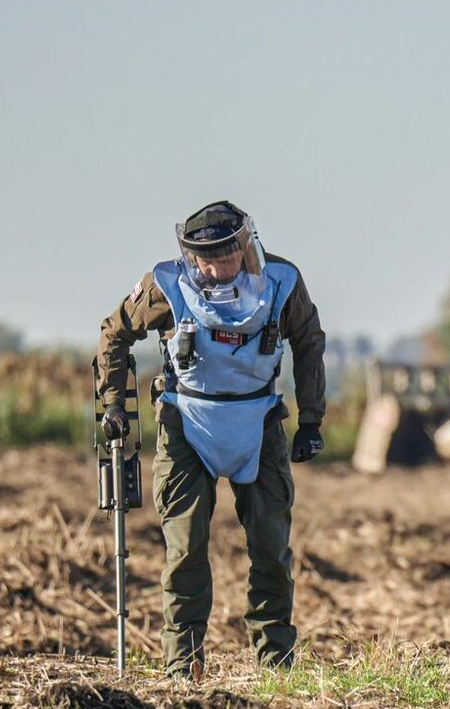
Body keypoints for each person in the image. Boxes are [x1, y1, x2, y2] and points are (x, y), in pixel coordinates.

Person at [97, 200, 326, 680]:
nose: (217, 269)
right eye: (206, 260)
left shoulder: (282, 283)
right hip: (187, 422)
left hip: (257, 421)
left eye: (226, 257)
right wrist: (114, 404)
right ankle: (183, 663)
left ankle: (276, 662)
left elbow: (308, 341)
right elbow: (114, 334)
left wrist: (311, 420)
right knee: (185, 550)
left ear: (245, 247)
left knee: (270, 546)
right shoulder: (164, 286)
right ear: (190, 256)